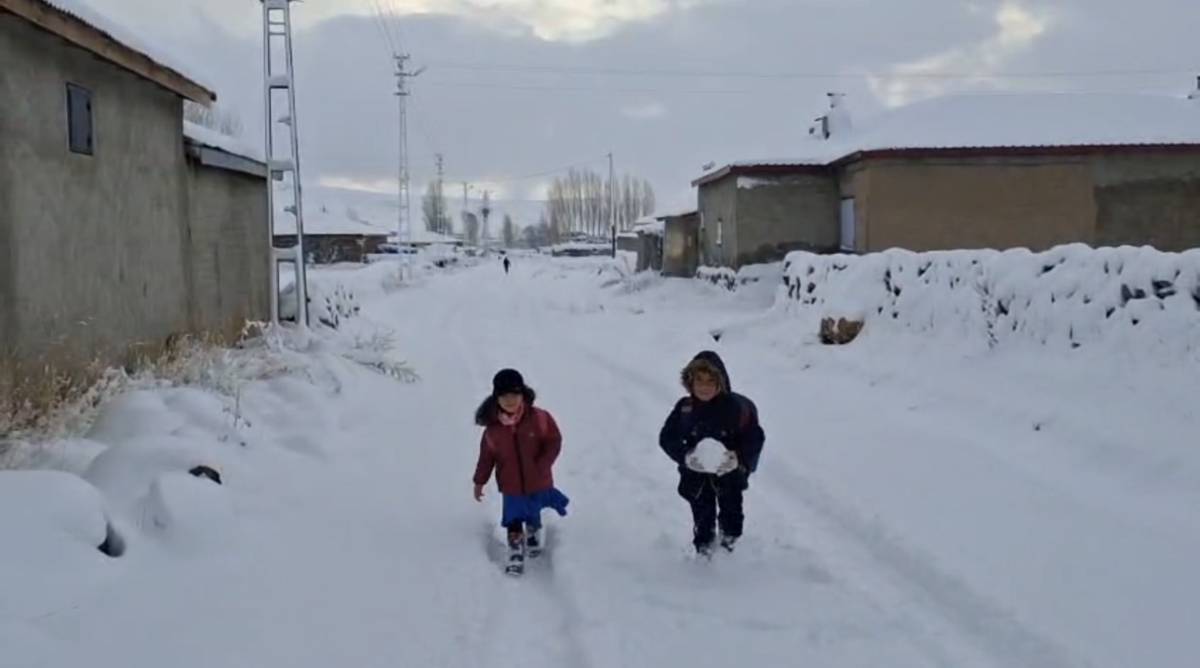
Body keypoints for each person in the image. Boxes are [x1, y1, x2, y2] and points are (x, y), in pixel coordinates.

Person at [659, 351, 765, 556]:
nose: (704, 386)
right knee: (702, 516)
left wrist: (738, 458)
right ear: (690, 382)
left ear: (721, 382)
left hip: (729, 474)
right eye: (699, 380)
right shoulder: (685, 408)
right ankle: (704, 553)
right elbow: (666, 438)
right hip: (695, 476)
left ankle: (730, 549)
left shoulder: (736, 408)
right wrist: (686, 457)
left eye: (710, 381)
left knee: (732, 513)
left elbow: (755, 437)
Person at [473, 369, 568, 574]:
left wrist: (543, 464)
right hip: (511, 484)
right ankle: (516, 550)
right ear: (496, 398)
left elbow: (554, 441)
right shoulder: (493, 429)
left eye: (514, 395)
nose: (510, 401)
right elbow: (486, 458)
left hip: (538, 478)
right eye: (504, 396)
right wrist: (479, 481)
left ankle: (533, 533)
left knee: (532, 511)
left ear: (523, 394)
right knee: (513, 517)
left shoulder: (540, 418)